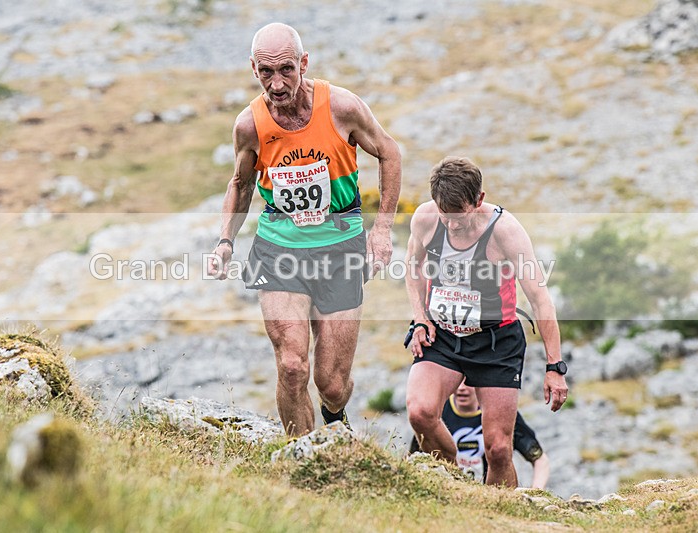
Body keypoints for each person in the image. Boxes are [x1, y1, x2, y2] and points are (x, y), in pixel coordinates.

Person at [206, 23, 401, 437]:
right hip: (280, 250)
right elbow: (240, 184)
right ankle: (303, 460)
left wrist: (381, 229)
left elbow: (390, 153)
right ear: (253, 69)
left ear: (304, 63)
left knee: (332, 384)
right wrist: (225, 241)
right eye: (266, 73)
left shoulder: (341, 107)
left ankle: (334, 420)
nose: (277, 84)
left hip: (341, 248)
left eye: (287, 70)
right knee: (292, 366)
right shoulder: (249, 125)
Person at [404, 156, 567, 487]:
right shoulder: (425, 219)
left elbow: (539, 298)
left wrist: (555, 367)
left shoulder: (505, 231)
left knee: (497, 448)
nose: (451, 225)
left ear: (478, 200)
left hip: (496, 342)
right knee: (419, 411)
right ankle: (453, 481)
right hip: (445, 336)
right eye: (444, 215)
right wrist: (420, 319)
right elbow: (413, 265)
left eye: (459, 216)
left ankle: (501, 515)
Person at [408, 383, 550, 489]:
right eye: (458, 383)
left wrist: (535, 492)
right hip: (448, 491)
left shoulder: (501, 413)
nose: (462, 388)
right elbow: (413, 458)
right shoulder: (437, 412)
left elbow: (540, 460)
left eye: (468, 382)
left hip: (490, 494)